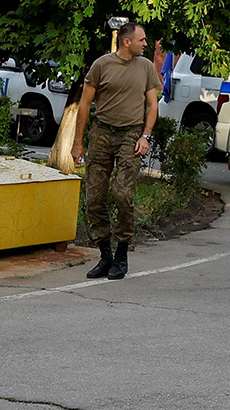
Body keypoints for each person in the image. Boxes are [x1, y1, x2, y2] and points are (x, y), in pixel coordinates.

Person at [74, 20, 161, 280]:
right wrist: (78, 142)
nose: (146, 44)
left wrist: (146, 136)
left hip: (131, 134)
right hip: (101, 132)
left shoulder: (146, 67)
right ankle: (105, 256)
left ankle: (122, 254)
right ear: (127, 42)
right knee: (94, 199)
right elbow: (85, 104)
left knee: (123, 195)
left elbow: (152, 106)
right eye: (142, 40)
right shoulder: (102, 65)